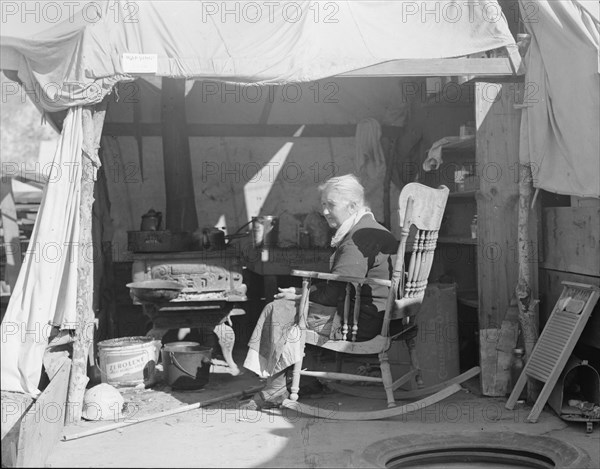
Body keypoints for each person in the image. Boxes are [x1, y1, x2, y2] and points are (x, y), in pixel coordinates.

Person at [242, 174, 398, 410]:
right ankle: (304, 380)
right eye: (323, 205)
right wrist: (301, 293)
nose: (325, 212)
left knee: (279, 308)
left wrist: (299, 294)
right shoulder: (374, 229)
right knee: (296, 307)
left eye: (331, 205)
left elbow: (334, 294)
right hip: (385, 317)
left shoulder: (358, 238)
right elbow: (340, 288)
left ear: (353, 205)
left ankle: (275, 388)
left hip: (361, 324)